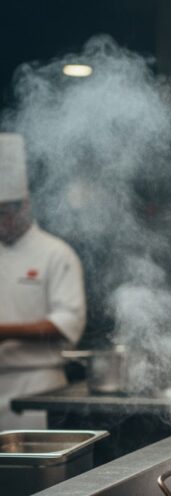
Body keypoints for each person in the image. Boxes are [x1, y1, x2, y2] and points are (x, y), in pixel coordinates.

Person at [0, 133, 87, 429]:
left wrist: (5, 332)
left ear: (24, 205)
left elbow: (68, 322)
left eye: (3, 213)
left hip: (37, 385)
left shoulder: (56, 253)